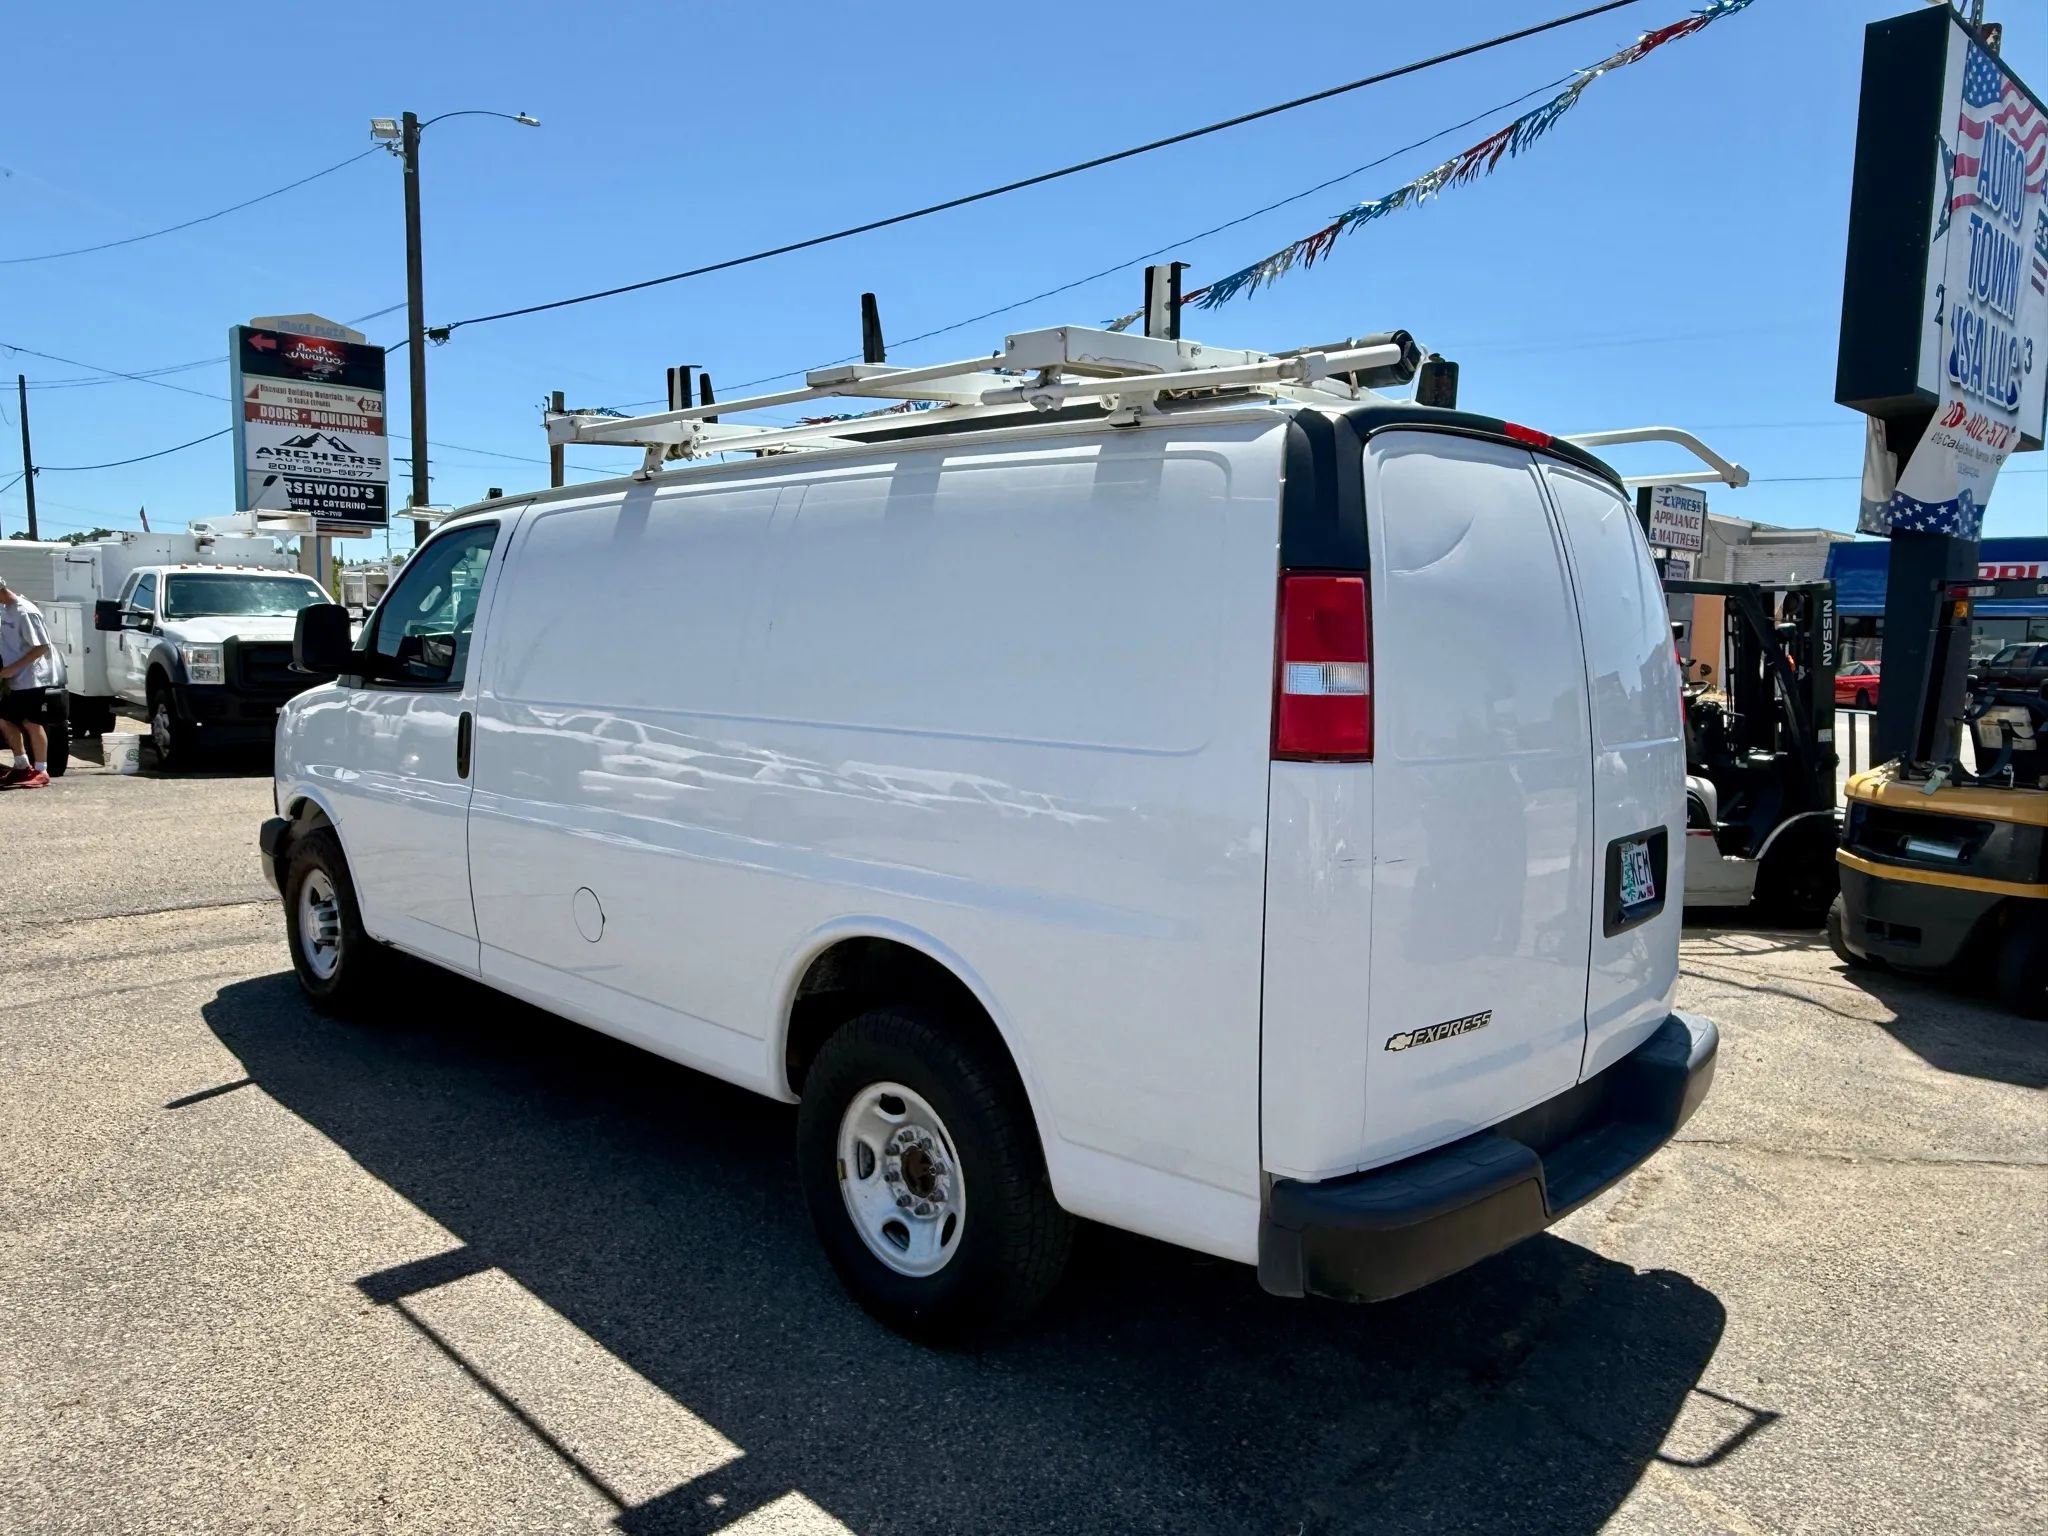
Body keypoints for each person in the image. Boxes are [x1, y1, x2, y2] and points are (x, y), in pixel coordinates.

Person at [0, 576, 62, 789]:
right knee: (7, 720)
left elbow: (42, 646)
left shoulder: (25, 611)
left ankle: (42, 770)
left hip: (32, 678)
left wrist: (12, 669)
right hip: (15, 680)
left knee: (31, 722)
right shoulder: (5, 609)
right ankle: (21, 766)